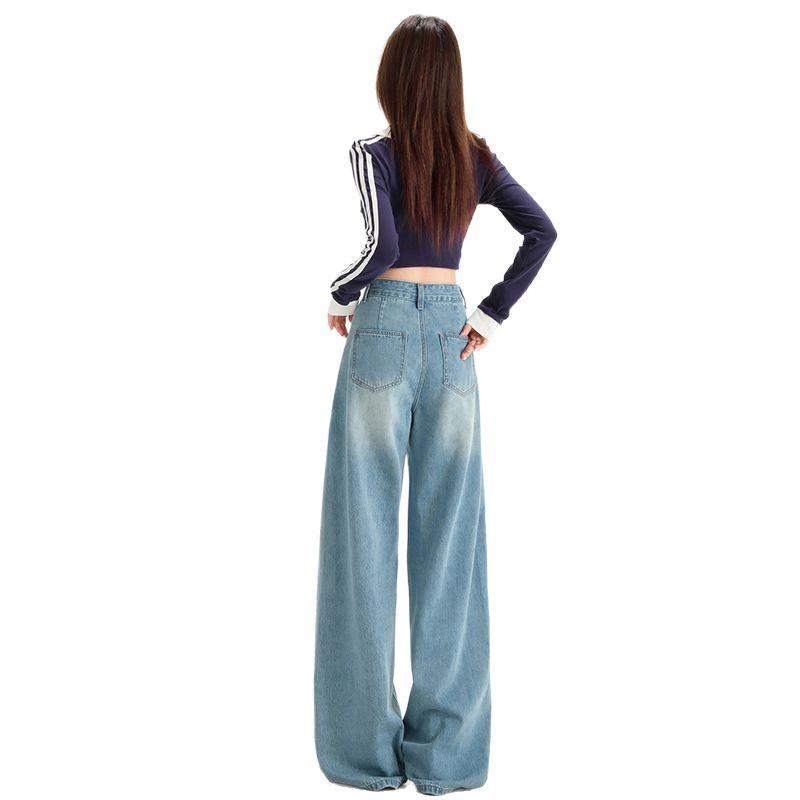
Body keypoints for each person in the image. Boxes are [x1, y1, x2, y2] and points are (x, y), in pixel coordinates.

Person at [314, 15, 557, 795]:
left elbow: (382, 250)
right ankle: (446, 760)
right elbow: (541, 231)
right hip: (454, 336)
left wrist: (338, 294)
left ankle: (364, 757)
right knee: (452, 546)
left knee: (362, 541)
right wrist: (491, 312)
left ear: (391, 79)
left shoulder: (374, 153)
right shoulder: (474, 157)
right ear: (452, 82)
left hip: (382, 330)